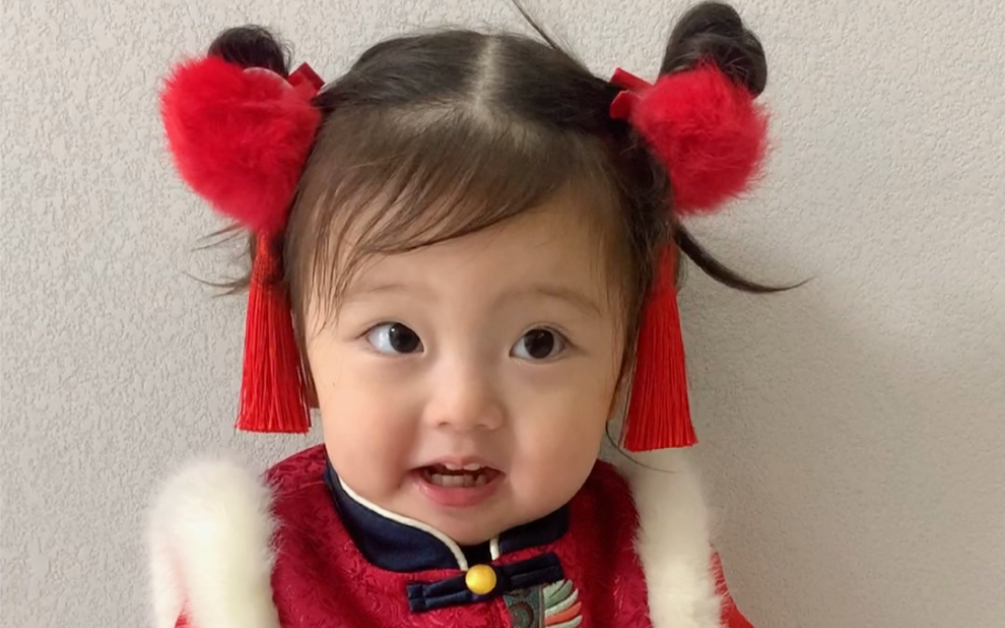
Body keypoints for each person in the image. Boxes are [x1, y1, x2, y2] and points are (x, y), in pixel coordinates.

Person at [149, 2, 772, 626]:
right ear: (299, 355)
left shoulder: (655, 560)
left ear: (623, 366)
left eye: (539, 342)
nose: (464, 408)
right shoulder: (251, 576)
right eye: (398, 337)